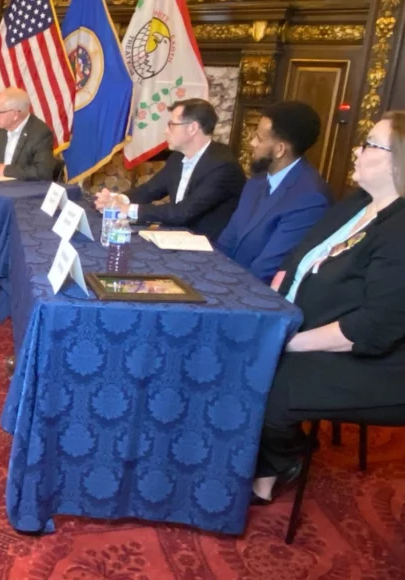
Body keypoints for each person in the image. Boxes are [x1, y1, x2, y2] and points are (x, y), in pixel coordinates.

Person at [252, 111, 405, 505]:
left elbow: (373, 328)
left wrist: (287, 343)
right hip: (314, 328)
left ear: (398, 160)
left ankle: (278, 461)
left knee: (268, 381)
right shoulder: (358, 202)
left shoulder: (400, 230)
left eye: (369, 143)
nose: (356, 149)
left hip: (378, 360)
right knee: (244, 354)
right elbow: (300, 258)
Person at [95, 99, 245, 241]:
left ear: (192, 128)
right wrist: (118, 199)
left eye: (171, 125)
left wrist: (128, 209)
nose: (165, 131)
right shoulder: (177, 157)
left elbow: (182, 213)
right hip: (177, 237)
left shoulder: (222, 166)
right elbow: (150, 189)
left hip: (211, 249)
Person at [216, 101, 331, 283]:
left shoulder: (310, 199)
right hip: (226, 281)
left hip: (255, 294)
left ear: (279, 149)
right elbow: (227, 242)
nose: (252, 143)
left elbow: (266, 269)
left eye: (259, 139)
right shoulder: (256, 182)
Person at [0, 87, 55, 181]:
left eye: (0, 112)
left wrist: (6, 170)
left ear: (15, 114)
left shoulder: (40, 133)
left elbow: (43, 172)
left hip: (24, 191)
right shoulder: (1, 130)